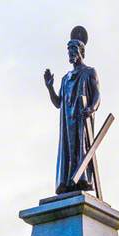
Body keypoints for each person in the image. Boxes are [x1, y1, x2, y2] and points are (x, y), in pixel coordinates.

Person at [44, 26, 100, 195]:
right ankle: (67, 182)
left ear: (81, 51)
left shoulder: (90, 72)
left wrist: (91, 108)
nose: (70, 53)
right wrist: (50, 88)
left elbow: (97, 96)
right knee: (68, 152)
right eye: (68, 50)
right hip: (67, 123)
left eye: (73, 49)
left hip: (81, 121)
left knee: (81, 149)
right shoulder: (65, 78)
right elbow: (58, 103)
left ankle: (81, 180)